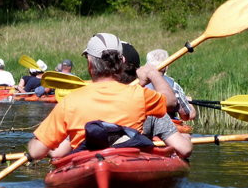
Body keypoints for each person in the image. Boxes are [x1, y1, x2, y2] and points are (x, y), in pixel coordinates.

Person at [27, 33, 178, 160]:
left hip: (87, 162)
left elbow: (36, 152)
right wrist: (153, 74)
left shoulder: (70, 102)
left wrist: (32, 143)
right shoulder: (140, 94)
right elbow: (171, 101)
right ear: (122, 61)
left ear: (90, 64)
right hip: (127, 159)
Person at [120, 42, 192, 158]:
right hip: (165, 131)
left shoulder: (91, 97)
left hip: (109, 153)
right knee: (185, 139)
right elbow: (187, 115)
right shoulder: (170, 87)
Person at [145, 49, 197, 121]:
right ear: (166, 66)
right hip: (166, 127)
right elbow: (188, 115)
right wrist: (188, 102)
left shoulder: (136, 82)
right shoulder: (173, 85)